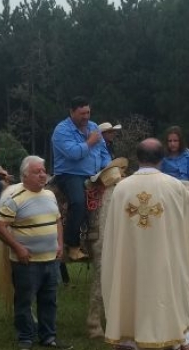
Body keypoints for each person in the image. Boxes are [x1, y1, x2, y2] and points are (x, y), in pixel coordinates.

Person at [101, 138, 189, 350]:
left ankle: (128, 341)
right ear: (161, 158)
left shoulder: (121, 189)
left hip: (129, 267)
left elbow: (112, 235)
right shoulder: (177, 188)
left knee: (128, 299)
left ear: (137, 158)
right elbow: (188, 229)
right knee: (169, 301)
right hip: (166, 266)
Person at [0, 155, 72, 350]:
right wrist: (18, 248)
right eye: (37, 172)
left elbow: (57, 221)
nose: (42, 175)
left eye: (43, 171)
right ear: (25, 176)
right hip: (26, 262)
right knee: (24, 301)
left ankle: (48, 337)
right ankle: (26, 339)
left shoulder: (50, 195)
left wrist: (60, 244)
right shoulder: (14, 198)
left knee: (49, 301)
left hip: (51, 260)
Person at [50, 96, 110, 261]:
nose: (86, 117)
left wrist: (108, 167)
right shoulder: (61, 130)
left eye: (88, 112)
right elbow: (73, 154)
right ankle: (73, 245)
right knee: (78, 202)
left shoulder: (93, 126)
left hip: (95, 174)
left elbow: (104, 152)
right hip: (70, 174)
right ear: (71, 112)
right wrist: (90, 142)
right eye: (82, 113)